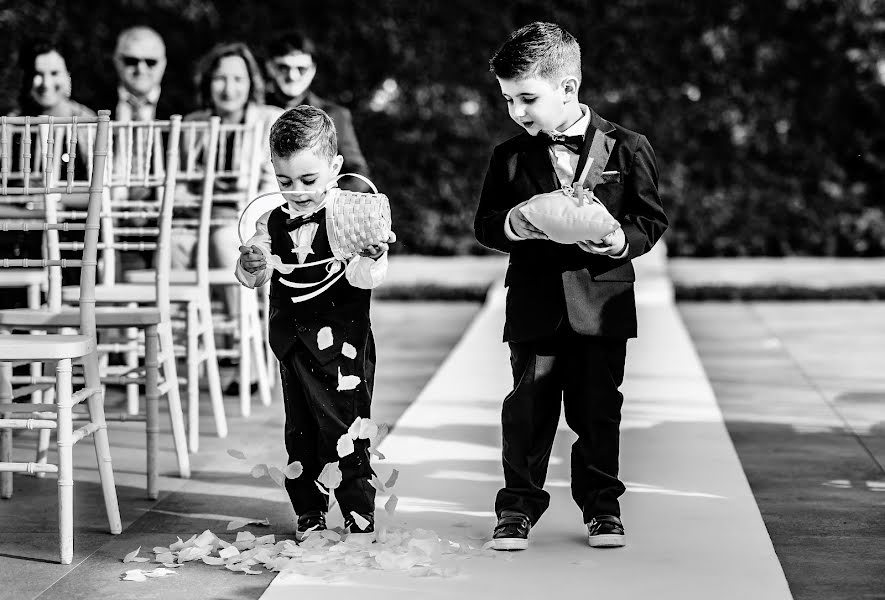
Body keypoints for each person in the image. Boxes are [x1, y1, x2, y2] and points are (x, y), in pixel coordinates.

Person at [473, 22, 668, 551]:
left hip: (601, 305)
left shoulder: (627, 147)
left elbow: (650, 220)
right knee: (527, 411)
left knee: (599, 411)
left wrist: (618, 240)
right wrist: (515, 222)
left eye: (527, 98)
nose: (517, 112)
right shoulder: (509, 156)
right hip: (535, 305)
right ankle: (516, 508)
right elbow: (486, 223)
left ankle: (603, 507)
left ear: (568, 88)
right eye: (509, 100)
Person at [235, 106, 394, 539]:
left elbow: (365, 279)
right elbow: (256, 270)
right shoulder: (271, 220)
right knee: (300, 430)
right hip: (292, 342)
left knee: (346, 429)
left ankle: (359, 512)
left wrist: (372, 257)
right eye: (285, 182)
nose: (297, 192)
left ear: (335, 168)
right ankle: (309, 509)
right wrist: (251, 263)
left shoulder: (350, 217)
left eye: (308, 180)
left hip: (343, 348)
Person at [176, 42, 284, 393]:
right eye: (220, 78)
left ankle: (249, 358)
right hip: (198, 219)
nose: (229, 87)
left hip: (251, 219)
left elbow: (273, 185)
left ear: (250, 82)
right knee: (175, 246)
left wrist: (240, 216)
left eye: (237, 78)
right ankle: (183, 357)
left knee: (227, 242)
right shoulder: (193, 125)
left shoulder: (269, 119)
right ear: (208, 83)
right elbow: (179, 186)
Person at [263, 31, 371, 191]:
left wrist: (320, 194)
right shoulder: (256, 110)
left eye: (301, 69)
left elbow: (358, 175)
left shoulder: (334, 114)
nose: (293, 76)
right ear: (270, 67)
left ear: (313, 70)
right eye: (283, 67)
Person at [11, 40, 96, 119]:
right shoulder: (13, 122)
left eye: (54, 73)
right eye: (38, 74)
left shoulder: (87, 122)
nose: (46, 84)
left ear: (68, 76)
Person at [110, 26, 172, 121]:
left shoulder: (187, 110)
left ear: (163, 64)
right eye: (131, 61)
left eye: (150, 62)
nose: (141, 69)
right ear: (116, 60)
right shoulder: (88, 108)